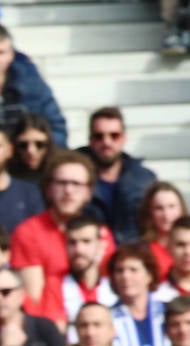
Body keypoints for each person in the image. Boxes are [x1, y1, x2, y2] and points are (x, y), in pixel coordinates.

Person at [10, 150, 116, 326]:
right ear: (48, 189)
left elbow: (108, 287)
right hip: (52, 326)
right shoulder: (29, 232)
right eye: (61, 183)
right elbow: (33, 300)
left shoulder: (101, 233)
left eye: (76, 184)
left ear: (89, 192)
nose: (68, 191)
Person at [79, 107, 159, 246]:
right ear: (91, 140)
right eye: (99, 136)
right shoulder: (74, 178)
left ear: (123, 139)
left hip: (134, 257)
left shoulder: (144, 179)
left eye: (114, 135)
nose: (107, 142)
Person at [107, 242, 167, 346]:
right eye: (119, 270)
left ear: (149, 275)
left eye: (133, 270)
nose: (125, 276)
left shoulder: (167, 313)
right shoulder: (107, 318)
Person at [139, 182, 186, 280]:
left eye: (172, 206)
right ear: (150, 212)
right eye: (159, 208)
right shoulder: (142, 250)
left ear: (181, 209)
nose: (166, 214)